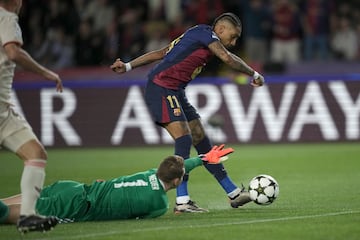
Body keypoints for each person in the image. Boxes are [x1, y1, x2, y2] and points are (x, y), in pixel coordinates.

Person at [110, 12, 265, 213]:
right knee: (184, 139)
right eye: (233, 36)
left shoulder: (196, 36)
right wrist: (254, 74)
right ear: (220, 29)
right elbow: (227, 58)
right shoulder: (204, 33)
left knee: (200, 138)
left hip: (175, 90)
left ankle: (233, 193)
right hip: (161, 87)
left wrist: (129, 65)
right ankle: (182, 201)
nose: (234, 42)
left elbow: (163, 52)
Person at [0, 145, 234, 224]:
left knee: (6, 204)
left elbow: (179, 167)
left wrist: (202, 159)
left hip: (73, 188)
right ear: (176, 182)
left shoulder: (150, 173)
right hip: (78, 206)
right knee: (8, 215)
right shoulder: (159, 204)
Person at [0, 0, 63, 233]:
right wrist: (45, 72)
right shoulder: (6, 18)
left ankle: (27, 216)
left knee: (36, 153)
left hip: (3, 111)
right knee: (36, 154)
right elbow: (13, 52)